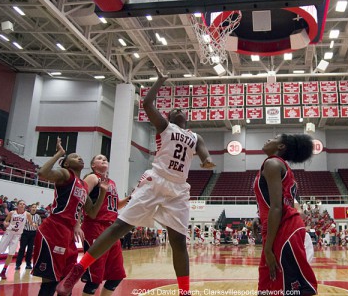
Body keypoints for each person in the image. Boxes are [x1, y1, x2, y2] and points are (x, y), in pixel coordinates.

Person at [57, 66, 216, 296]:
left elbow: (204, 153)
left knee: (179, 243)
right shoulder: (165, 127)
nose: (179, 108)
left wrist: (208, 160)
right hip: (156, 180)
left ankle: (185, 292)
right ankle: (77, 271)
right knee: (120, 227)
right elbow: (148, 105)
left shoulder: (195, 137)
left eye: (182, 109)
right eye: (175, 108)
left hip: (179, 189)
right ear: (169, 117)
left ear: (187, 119)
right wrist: (159, 81)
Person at [253, 133, 317, 295]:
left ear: (281, 146)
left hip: (284, 227)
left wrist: (268, 250)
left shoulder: (272, 164)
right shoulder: (279, 166)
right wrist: (259, 215)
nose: (268, 139)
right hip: (279, 225)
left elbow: (277, 207)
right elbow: (278, 201)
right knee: (270, 284)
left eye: (273, 138)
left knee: (291, 287)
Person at [32, 138, 90, 296]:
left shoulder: (84, 185)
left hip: (69, 233)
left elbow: (78, 209)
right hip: (54, 229)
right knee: (50, 282)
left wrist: (77, 224)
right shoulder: (66, 174)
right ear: (66, 163)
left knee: (65, 284)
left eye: (80, 156)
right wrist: (59, 153)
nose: (79, 157)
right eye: (74, 156)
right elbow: (43, 173)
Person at [80, 154, 131, 295]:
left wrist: (131, 197)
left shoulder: (111, 182)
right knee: (94, 277)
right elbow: (80, 197)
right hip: (95, 226)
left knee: (117, 275)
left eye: (105, 159)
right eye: (99, 159)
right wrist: (77, 223)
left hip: (111, 229)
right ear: (93, 165)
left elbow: (116, 205)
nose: (103, 160)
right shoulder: (92, 178)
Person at [0, 200, 36, 280]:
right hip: (8, 233)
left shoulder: (27, 214)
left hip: (17, 235)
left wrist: (35, 225)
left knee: (11, 254)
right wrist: (5, 223)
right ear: (17, 205)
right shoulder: (12, 213)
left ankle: (3, 271)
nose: (22, 205)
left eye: (24, 204)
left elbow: (31, 223)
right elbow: (5, 221)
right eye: (20, 204)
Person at [15, 203, 42, 270]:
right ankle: (18, 264)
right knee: (22, 249)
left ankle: (28, 264)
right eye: (33, 207)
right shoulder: (26, 215)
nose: (34, 208)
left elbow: (39, 225)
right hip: (25, 233)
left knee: (30, 250)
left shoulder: (38, 216)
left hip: (33, 234)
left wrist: (37, 226)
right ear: (30, 208)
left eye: (35, 207)